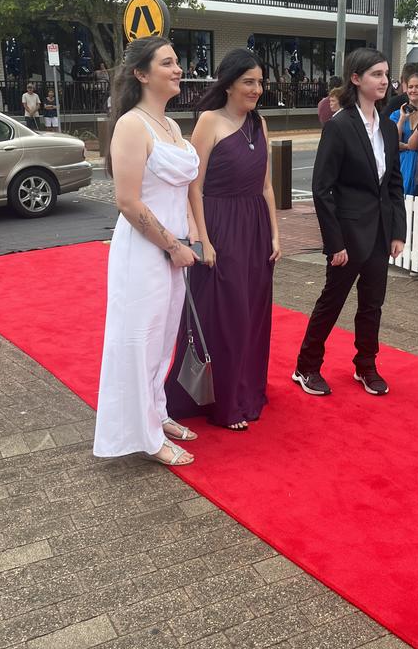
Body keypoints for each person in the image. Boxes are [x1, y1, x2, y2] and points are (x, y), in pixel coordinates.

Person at [94, 36, 200, 466]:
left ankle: (156, 413)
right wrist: (174, 246)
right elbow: (128, 201)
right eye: (168, 63)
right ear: (141, 74)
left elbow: (183, 192)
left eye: (177, 62)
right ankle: (147, 437)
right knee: (139, 341)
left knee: (162, 342)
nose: (178, 69)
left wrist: (189, 240)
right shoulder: (131, 126)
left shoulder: (171, 127)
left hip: (174, 251)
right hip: (144, 252)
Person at [165, 48, 281, 430]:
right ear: (229, 83)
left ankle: (247, 388)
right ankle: (223, 401)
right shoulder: (209, 122)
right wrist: (202, 238)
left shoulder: (259, 125)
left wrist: (276, 234)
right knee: (226, 313)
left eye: (260, 82)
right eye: (249, 81)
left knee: (252, 313)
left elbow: (266, 186)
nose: (257, 89)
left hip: (255, 228)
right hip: (219, 224)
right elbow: (192, 187)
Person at [292, 48, 407, 398]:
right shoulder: (340, 126)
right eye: (376, 74)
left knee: (373, 304)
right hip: (348, 234)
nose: (384, 80)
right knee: (332, 301)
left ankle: (366, 365)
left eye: (386, 73)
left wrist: (398, 231)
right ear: (356, 79)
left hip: (380, 232)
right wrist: (335, 242)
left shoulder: (388, 128)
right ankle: (306, 366)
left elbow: (393, 182)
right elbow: (322, 188)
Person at [389, 72, 418, 195]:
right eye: (411, 87)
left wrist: (404, 145)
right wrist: (402, 119)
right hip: (401, 164)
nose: (413, 90)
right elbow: (393, 142)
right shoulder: (396, 114)